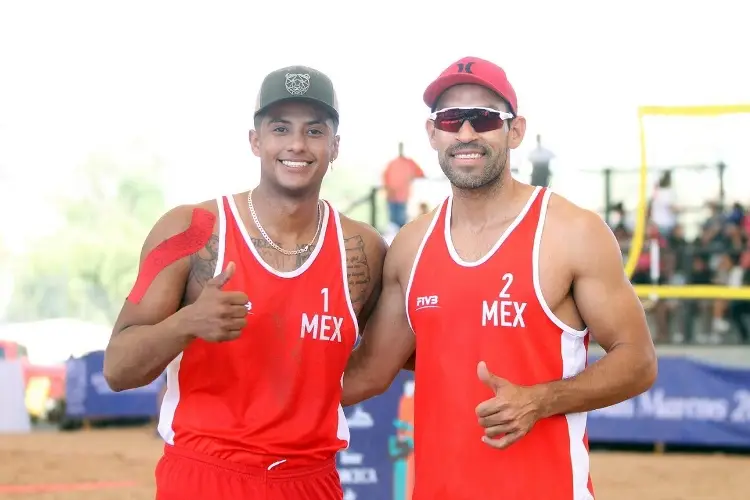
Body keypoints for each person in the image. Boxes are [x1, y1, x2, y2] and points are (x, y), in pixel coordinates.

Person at [341, 56, 657, 500]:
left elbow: (639, 360)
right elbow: (369, 373)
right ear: (433, 133)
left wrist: (539, 400)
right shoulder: (412, 246)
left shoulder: (572, 232)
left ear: (515, 130)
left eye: (484, 118)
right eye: (451, 119)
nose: (466, 133)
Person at [103, 65, 387, 500]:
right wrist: (187, 323)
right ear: (256, 141)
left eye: (314, 131)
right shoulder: (191, 229)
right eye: (280, 128)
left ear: (335, 146)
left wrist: (304, 398)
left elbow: (387, 359)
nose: (296, 144)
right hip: (204, 475)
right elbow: (118, 368)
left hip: (310, 479)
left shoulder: (361, 248)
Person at [383, 142, 425, 228]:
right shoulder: (392, 163)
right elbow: (385, 177)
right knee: (393, 222)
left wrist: (412, 177)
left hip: (402, 196)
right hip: (392, 196)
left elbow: (421, 174)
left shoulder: (410, 162)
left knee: (400, 222)